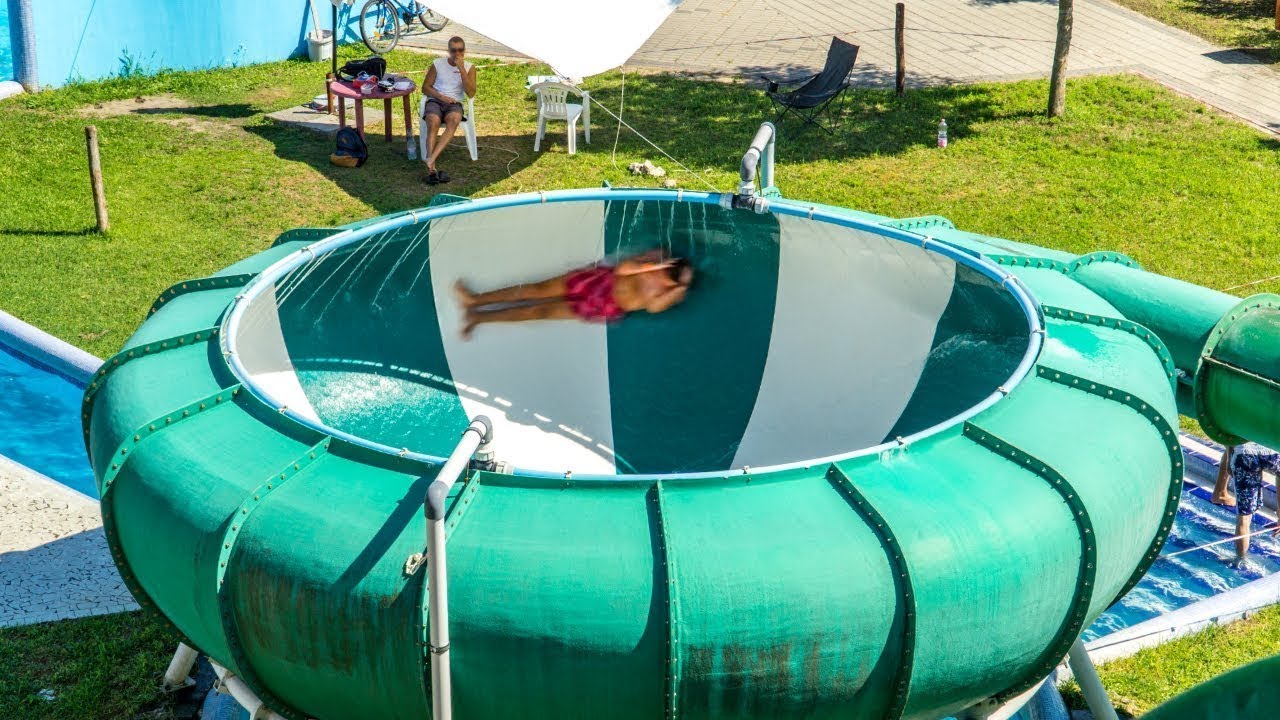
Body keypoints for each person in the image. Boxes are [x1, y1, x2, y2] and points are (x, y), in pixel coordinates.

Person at [454, 251, 694, 339]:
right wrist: (654, 267)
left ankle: (478, 318)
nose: (668, 277)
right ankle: (475, 299)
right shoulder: (657, 259)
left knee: (539, 311)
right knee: (534, 291)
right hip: (598, 281)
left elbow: (653, 307)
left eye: (672, 279)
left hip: (605, 306)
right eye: (670, 272)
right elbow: (623, 269)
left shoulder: (667, 293)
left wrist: (677, 287)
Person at [422, 36, 477, 185]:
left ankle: (431, 160)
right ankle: (431, 167)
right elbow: (425, 87)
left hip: (455, 103)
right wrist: (441, 96)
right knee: (432, 122)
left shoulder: (469, 67)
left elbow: (471, 93)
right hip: (436, 100)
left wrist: (461, 69)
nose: (457, 54)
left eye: (460, 50)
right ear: (449, 51)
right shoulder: (437, 64)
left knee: (453, 120)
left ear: (465, 51)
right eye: (453, 50)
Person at [1211, 443, 1280, 560]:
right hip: (1273, 451)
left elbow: (1229, 437)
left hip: (1245, 454)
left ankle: (1240, 560)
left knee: (1243, 519)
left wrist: (1229, 457)